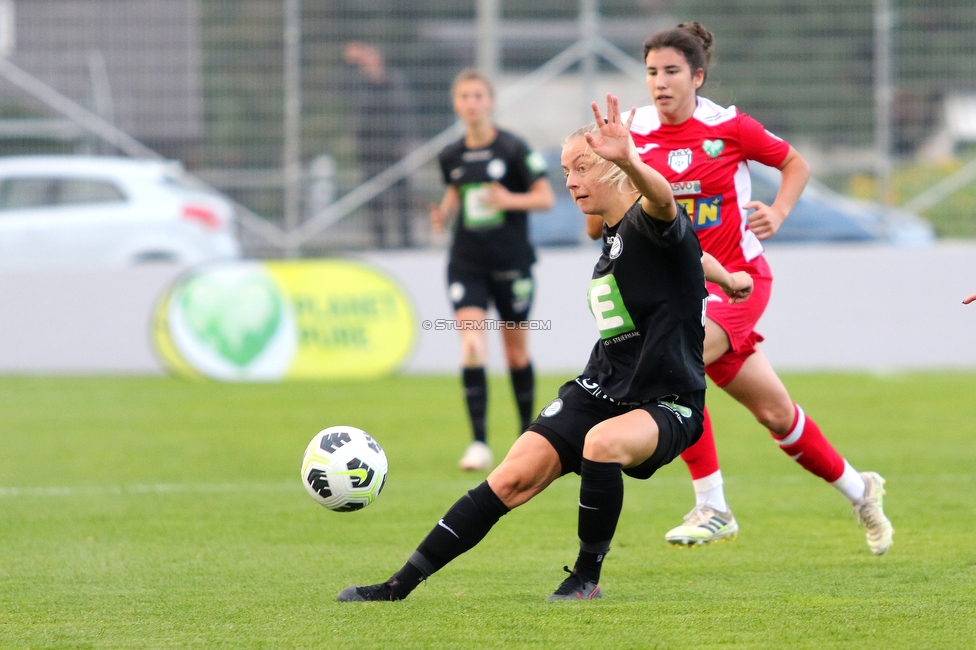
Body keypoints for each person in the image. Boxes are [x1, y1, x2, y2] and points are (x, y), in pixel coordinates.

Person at [337, 95, 752, 603]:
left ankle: (585, 579)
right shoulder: (616, 232)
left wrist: (631, 160)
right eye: (566, 170)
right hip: (601, 386)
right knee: (509, 478)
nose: (571, 181)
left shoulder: (650, 217)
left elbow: (667, 207)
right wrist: (727, 276)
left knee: (601, 444)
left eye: (582, 168)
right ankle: (398, 586)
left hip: (668, 400)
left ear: (617, 169)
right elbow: (692, 255)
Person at [626, 22, 893, 554]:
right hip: (680, 292)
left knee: (678, 363)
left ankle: (714, 506)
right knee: (776, 414)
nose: (660, 82)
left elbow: (793, 162)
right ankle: (860, 490)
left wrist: (778, 210)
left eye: (672, 71)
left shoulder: (730, 127)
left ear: (697, 76)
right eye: (652, 71)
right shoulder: (632, 129)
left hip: (738, 282)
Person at [430, 68, 555, 471]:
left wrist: (507, 200)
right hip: (466, 263)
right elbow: (455, 188)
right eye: (464, 96)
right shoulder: (450, 155)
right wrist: (445, 212)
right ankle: (479, 442)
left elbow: (545, 198)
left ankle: (527, 439)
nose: (471, 103)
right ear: (456, 104)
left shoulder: (514, 148)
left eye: (478, 95)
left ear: (490, 101)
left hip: (511, 262)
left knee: (516, 354)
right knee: (471, 346)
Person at [343, 41, 418, 248]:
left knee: (401, 196)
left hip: (394, 150)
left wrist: (404, 140)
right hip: (370, 151)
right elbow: (351, 99)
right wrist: (351, 63)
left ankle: (406, 240)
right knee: (374, 198)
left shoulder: (394, 82)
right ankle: (380, 241)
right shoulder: (360, 86)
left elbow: (405, 111)